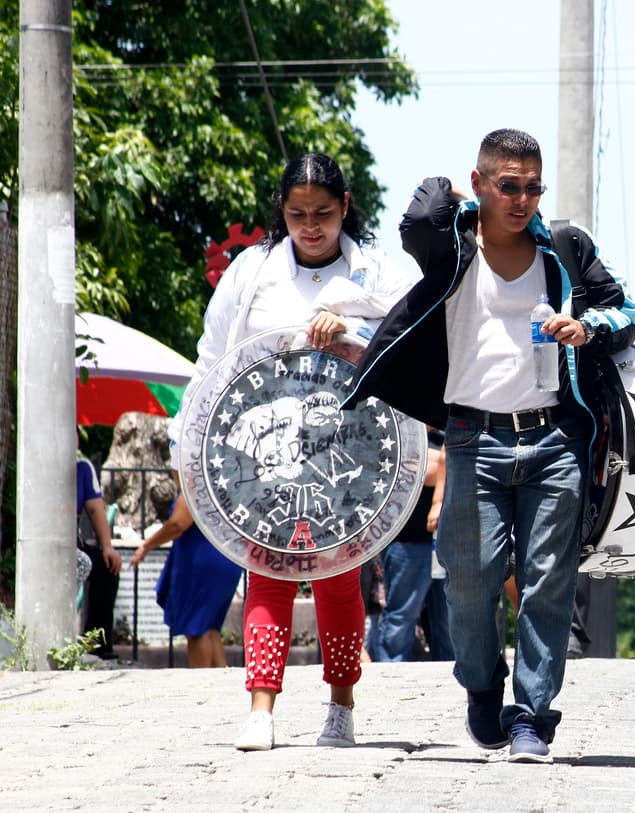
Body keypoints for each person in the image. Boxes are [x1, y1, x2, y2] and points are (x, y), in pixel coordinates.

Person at [343, 128, 635, 763]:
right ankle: (482, 687)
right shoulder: (451, 246)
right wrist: (457, 195)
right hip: (472, 437)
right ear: (480, 184)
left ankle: (533, 716)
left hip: (556, 437)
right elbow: (419, 211)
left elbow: (627, 311)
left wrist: (586, 327)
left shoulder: (564, 248)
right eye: (509, 185)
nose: (523, 199)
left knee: (548, 582)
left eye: (533, 187)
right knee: (469, 583)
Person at [168, 152, 414, 751]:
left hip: (351, 456)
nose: (311, 226)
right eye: (298, 213)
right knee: (267, 578)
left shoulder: (376, 271)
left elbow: (412, 327)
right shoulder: (251, 272)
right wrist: (189, 444)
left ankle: (341, 703)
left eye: (324, 214)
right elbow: (211, 360)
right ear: (281, 212)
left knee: (337, 583)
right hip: (261, 457)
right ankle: (261, 707)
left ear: (345, 210)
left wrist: (350, 325)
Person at [129, 477, 243, 668]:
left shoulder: (196, 484)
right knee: (210, 628)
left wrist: (146, 546)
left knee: (196, 628)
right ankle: (221, 686)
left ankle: (202, 686)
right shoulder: (218, 482)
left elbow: (178, 524)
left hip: (203, 564)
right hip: (222, 560)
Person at [368, 433, 446, 662]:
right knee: (401, 617)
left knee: (448, 618)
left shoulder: (443, 436)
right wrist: (442, 463)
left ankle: (449, 671)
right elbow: (430, 473)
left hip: (443, 543)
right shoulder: (399, 437)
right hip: (406, 543)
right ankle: (391, 670)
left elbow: (440, 469)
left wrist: (438, 462)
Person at [77, 456, 121, 659]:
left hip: (72, 544)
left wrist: (107, 547)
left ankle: (96, 643)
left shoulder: (82, 468)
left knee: (106, 567)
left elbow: (95, 508)